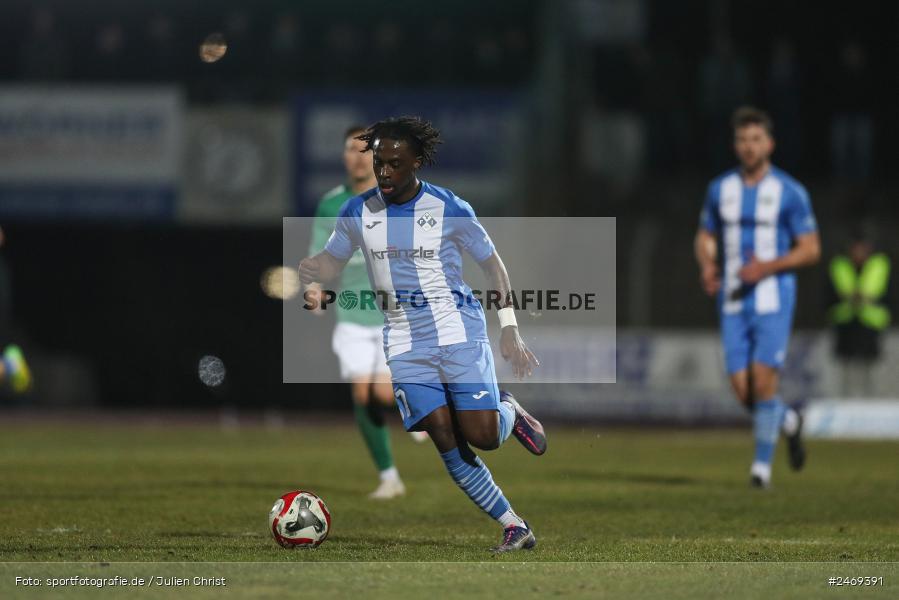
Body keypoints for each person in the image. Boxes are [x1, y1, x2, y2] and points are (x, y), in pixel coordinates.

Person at [299, 117, 546, 552]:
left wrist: (509, 328)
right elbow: (333, 262)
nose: (385, 173)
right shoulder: (356, 212)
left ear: (416, 162)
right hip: (405, 343)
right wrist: (315, 270)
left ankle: (509, 411)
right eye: (379, 163)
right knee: (443, 435)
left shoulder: (450, 209)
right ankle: (513, 525)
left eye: (395, 164)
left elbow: (493, 266)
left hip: (458, 333)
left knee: (483, 437)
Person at [695, 106, 821, 489]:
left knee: (764, 383)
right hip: (732, 299)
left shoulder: (790, 191)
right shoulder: (721, 189)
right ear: (735, 145)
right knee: (742, 389)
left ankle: (760, 471)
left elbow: (811, 248)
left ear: (770, 144)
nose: (749, 147)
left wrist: (767, 267)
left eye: (756, 139)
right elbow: (705, 236)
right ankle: (788, 421)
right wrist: (707, 265)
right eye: (742, 140)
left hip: (773, 298)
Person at [306, 125, 422, 501]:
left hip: (396, 313)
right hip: (354, 317)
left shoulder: (395, 199)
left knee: (385, 394)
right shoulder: (330, 204)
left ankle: (425, 406)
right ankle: (390, 477)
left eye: (363, 151)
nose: (356, 157)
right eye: (349, 150)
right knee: (363, 395)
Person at [826, 229, 892, 396]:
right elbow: (829, 294)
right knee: (845, 366)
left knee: (870, 366)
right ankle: (844, 402)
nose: (858, 252)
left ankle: (871, 403)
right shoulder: (839, 264)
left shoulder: (879, 263)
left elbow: (889, 293)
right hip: (846, 321)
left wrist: (867, 299)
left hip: (871, 322)